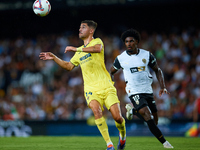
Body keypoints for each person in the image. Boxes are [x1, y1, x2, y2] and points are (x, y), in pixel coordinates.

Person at [39, 20, 126, 150]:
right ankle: (109, 144)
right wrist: (55, 58)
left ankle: (123, 135)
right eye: (80, 27)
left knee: (117, 117)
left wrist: (76, 48)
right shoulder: (79, 53)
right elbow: (69, 66)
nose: (80, 29)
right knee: (97, 112)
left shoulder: (97, 42)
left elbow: (97, 49)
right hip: (91, 89)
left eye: (83, 27)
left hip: (106, 86)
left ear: (91, 30)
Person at [110, 29, 174, 148]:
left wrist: (162, 86)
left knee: (154, 121)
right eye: (126, 41)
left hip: (147, 89)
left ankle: (133, 111)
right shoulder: (121, 58)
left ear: (137, 42)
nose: (129, 43)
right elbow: (112, 71)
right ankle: (165, 143)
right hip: (133, 90)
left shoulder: (147, 55)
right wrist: (111, 82)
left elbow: (157, 70)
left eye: (131, 41)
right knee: (146, 115)